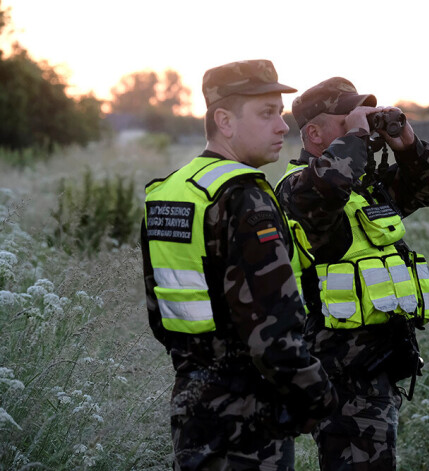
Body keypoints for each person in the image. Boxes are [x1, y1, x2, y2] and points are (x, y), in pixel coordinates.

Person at [141, 60, 336, 471]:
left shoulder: (170, 191)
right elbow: (274, 333)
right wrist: (319, 395)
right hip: (250, 419)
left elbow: (162, 315)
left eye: (281, 113)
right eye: (267, 113)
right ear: (224, 121)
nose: (283, 127)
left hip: (192, 405)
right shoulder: (245, 196)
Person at [275, 77, 429, 470]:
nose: (364, 124)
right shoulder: (298, 189)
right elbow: (327, 186)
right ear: (314, 133)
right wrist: (356, 137)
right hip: (339, 373)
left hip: (376, 364)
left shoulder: (362, 188)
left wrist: (406, 143)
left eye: (366, 115)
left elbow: (427, 189)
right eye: (348, 118)